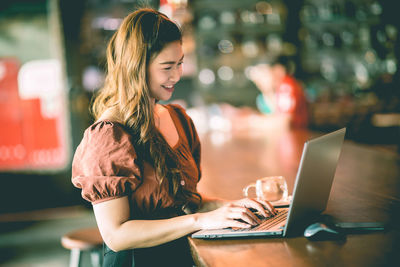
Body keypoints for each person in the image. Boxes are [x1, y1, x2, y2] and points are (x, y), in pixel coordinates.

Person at [71, 8, 276, 267]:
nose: (177, 76)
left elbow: (184, 204)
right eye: (167, 67)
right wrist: (201, 220)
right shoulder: (108, 136)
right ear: (136, 66)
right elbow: (116, 235)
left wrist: (232, 208)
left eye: (180, 63)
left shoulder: (177, 118)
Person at [250, 56, 309, 128]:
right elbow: (273, 115)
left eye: (263, 72)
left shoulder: (287, 86)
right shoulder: (272, 92)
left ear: (277, 70)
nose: (259, 79)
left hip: (300, 133)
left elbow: (284, 122)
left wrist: (252, 122)